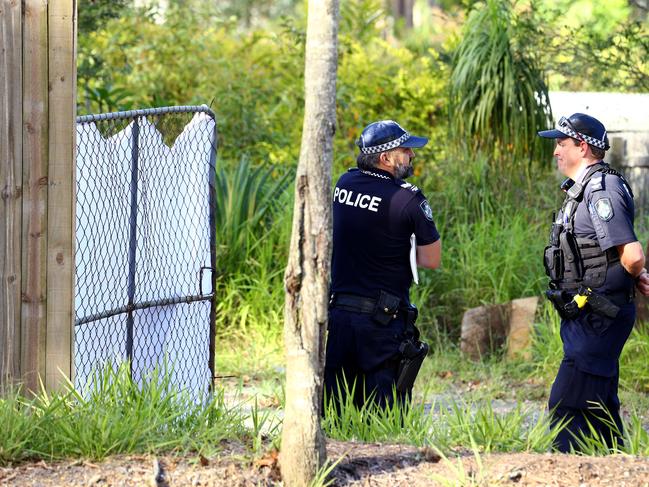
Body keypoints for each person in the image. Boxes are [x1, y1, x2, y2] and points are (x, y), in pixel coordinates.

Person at [538, 113, 649, 453]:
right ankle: (616, 462)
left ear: (582, 147)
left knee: (567, 404)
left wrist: (634, 271)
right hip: (588, 315)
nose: (556, 151)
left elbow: (632, 254)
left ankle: (559, 469)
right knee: (598, 407)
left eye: (561, 143)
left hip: (599, 314)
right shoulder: (583, 189)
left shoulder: (602, 188)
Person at [324, 120, 441, 412]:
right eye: (405, 150)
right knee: (385, 413)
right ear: (386, 158)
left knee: (336, 410)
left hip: (339, 316)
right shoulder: (407, 198)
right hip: (382, 322)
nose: (412, 156)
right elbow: (431, 259)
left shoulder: (344, 184)